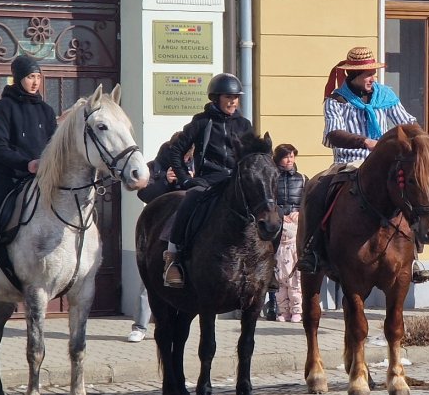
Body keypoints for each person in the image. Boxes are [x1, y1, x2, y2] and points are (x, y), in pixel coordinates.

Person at [299, 46, 419, 272]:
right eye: (368, 74)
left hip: (385, 163)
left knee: (412, 189)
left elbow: (407, 122)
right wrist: (365, 141)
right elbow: (333, 133)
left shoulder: (386, 95)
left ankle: (416, 249)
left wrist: (421, 139)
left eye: (374, 73)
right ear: (353, 75)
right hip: (349, 162)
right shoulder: (336, 100)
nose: (373, 78)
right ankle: (312, 250)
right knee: (317, 190)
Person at [0, 54, 58, 293]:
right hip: (8, 176)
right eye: (31, 77)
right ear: (18, 78)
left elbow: (54, 145)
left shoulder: (46, 110)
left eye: (38, 77)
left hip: (41, 179)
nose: (35, 82)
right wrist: (27, 164)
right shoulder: (3, 108)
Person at [161, 72, 254, 288]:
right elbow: (176, 151)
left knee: (268, 210)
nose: (232, 101)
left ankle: (269, 264)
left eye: (235, 97)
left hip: (236, 181)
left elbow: (251, 154)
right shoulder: (201, 122)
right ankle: (173, 259)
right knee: (189, 201)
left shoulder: (244, 124)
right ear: (216, 98)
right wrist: (185, 180)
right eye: (227, 97)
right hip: (208, 180)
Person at [131, 132, 193, 340]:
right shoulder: (154, 166)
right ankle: (140, 327)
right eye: (184, 155)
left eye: (189, 156)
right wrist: (165, 181)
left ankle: (171, 322)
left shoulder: (194, 163)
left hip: (184, 227)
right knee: (150, 277)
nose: (186, 159)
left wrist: (192, 181)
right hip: (158, 227)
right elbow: (144, 194)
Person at [273, 144, 306, 322]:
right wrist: (279, 214)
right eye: (286, 156)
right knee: (278, 272)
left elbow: (308, 201)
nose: (290, 160)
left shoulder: (302, 179)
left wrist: (300, 212)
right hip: (277, 228)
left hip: (296, 229)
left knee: (295, 273)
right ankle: (279, 309)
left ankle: (297, 309)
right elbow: (268, 201)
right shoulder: (272, 178)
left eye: (292, 156)